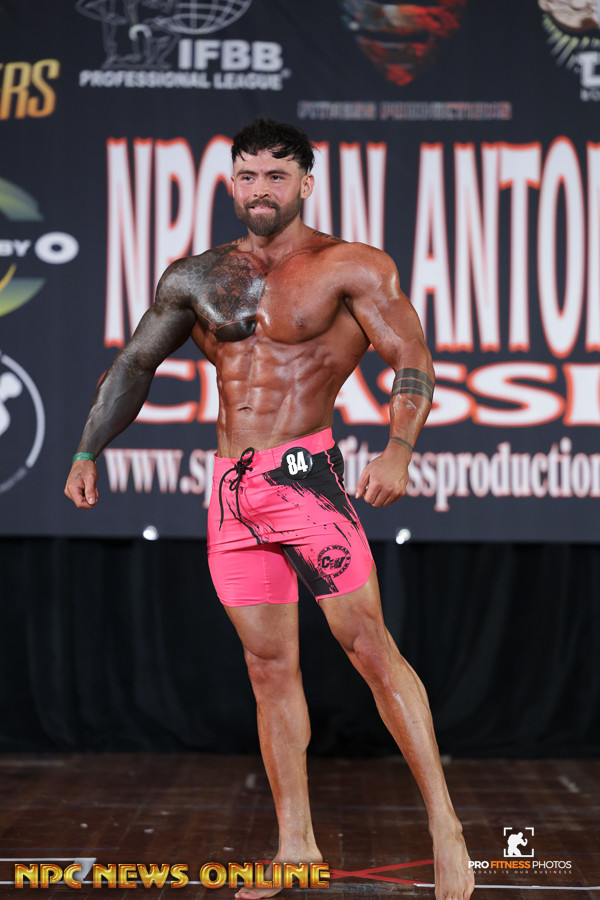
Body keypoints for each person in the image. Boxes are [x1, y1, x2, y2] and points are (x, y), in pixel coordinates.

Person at [64, 117, 474, 900]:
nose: (260, 190)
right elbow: (136, 363)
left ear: (305, 184)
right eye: (248, 176)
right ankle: (296, 847)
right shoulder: (196, 277)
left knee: (368, 648)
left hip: (306, 481)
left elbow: (411, 357)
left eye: (276, 176)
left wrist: (398, 448)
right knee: (268, 669)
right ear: (232, 184)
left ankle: (445, 827)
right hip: (232, 493)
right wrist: (86, 451)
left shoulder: (349, 266)